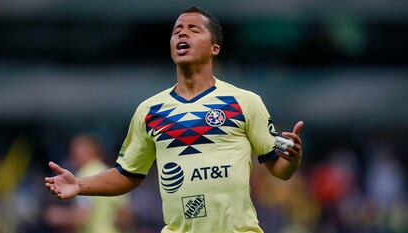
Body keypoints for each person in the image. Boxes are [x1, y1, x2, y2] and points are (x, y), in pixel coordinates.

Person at [45, 6, 304, 233]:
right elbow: (128, 174)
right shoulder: (150, 111)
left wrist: (292, 159)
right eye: (177, 30)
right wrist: (79, 184)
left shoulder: (244, 101)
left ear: (215, 47)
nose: (182, 33)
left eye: (194, 29)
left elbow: (279, 170)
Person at [44, 134, 131, 233]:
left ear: (91, 151)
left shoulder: (84, 176)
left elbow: (83, 216)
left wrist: (58, 216)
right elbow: (125, 213)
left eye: (75, 152)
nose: (71, 156)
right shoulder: (111, 173)